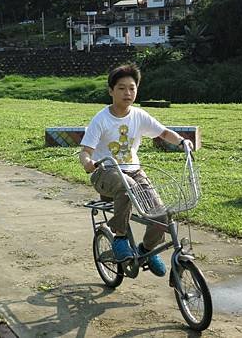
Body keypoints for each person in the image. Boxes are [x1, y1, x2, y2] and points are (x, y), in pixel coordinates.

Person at [79, 63, 192, 277]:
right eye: (121, 88)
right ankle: (120, 237)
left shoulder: (139, 116)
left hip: (135, 171)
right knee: (127, 186)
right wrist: (87, 163)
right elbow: (85, 151)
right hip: (105, 172)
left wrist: (182, 142)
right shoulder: (101, 119)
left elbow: (164, 133)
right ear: (111, 91)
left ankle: (146, 251)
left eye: (132, 88)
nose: (127, 93)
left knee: (160, 214)